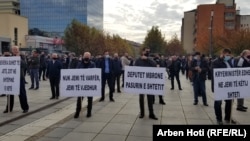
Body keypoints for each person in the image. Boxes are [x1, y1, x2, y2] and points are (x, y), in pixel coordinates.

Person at [211, 48, 236, 125]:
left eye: (229, 55)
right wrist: (221, 59)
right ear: (222, 54)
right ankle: (219, 119)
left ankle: (228, 117)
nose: (228, 56)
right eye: (227, 55)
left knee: (229, 102)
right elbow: (214, 73)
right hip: (219, 86)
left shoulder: (229, 62)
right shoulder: (216, 62)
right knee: (218, 103)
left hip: (229, 86)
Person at [3, 46, 29, 113]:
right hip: (11, 78)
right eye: (13, 49)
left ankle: (25, 107)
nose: (15, 51)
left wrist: (18, 58)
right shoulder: (9, 57)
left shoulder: (22, 56)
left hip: (19, 78)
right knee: (9, 93)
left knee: (22, 93)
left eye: (16, 49)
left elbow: (24, 65)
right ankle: (9, 108)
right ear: (12, 50)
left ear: (18, 50)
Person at [134, 47, 158, 120]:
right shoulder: (138, 60)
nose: (147, 52)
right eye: (146, 51)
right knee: (141, 98)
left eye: (148, 51)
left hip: (149, 82)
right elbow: (135, 69)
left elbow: (155, 65)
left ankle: (151, 113)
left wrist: (147, 59)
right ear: (142, 51)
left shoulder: (150, 59)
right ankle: (142, 113)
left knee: (150, 98)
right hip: (141, 82)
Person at [74, 52, 95, 118]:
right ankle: (77, 112)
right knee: (79, 99)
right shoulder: (79, 64)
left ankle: (89, 112)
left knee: (90, 99)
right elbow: (76, 71)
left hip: (89, 84)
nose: (86, 58)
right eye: (85, 56)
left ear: (90, 57)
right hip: (81, 84)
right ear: (83, 57)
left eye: (88, 57)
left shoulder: (92, 64)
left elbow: (94, 72)